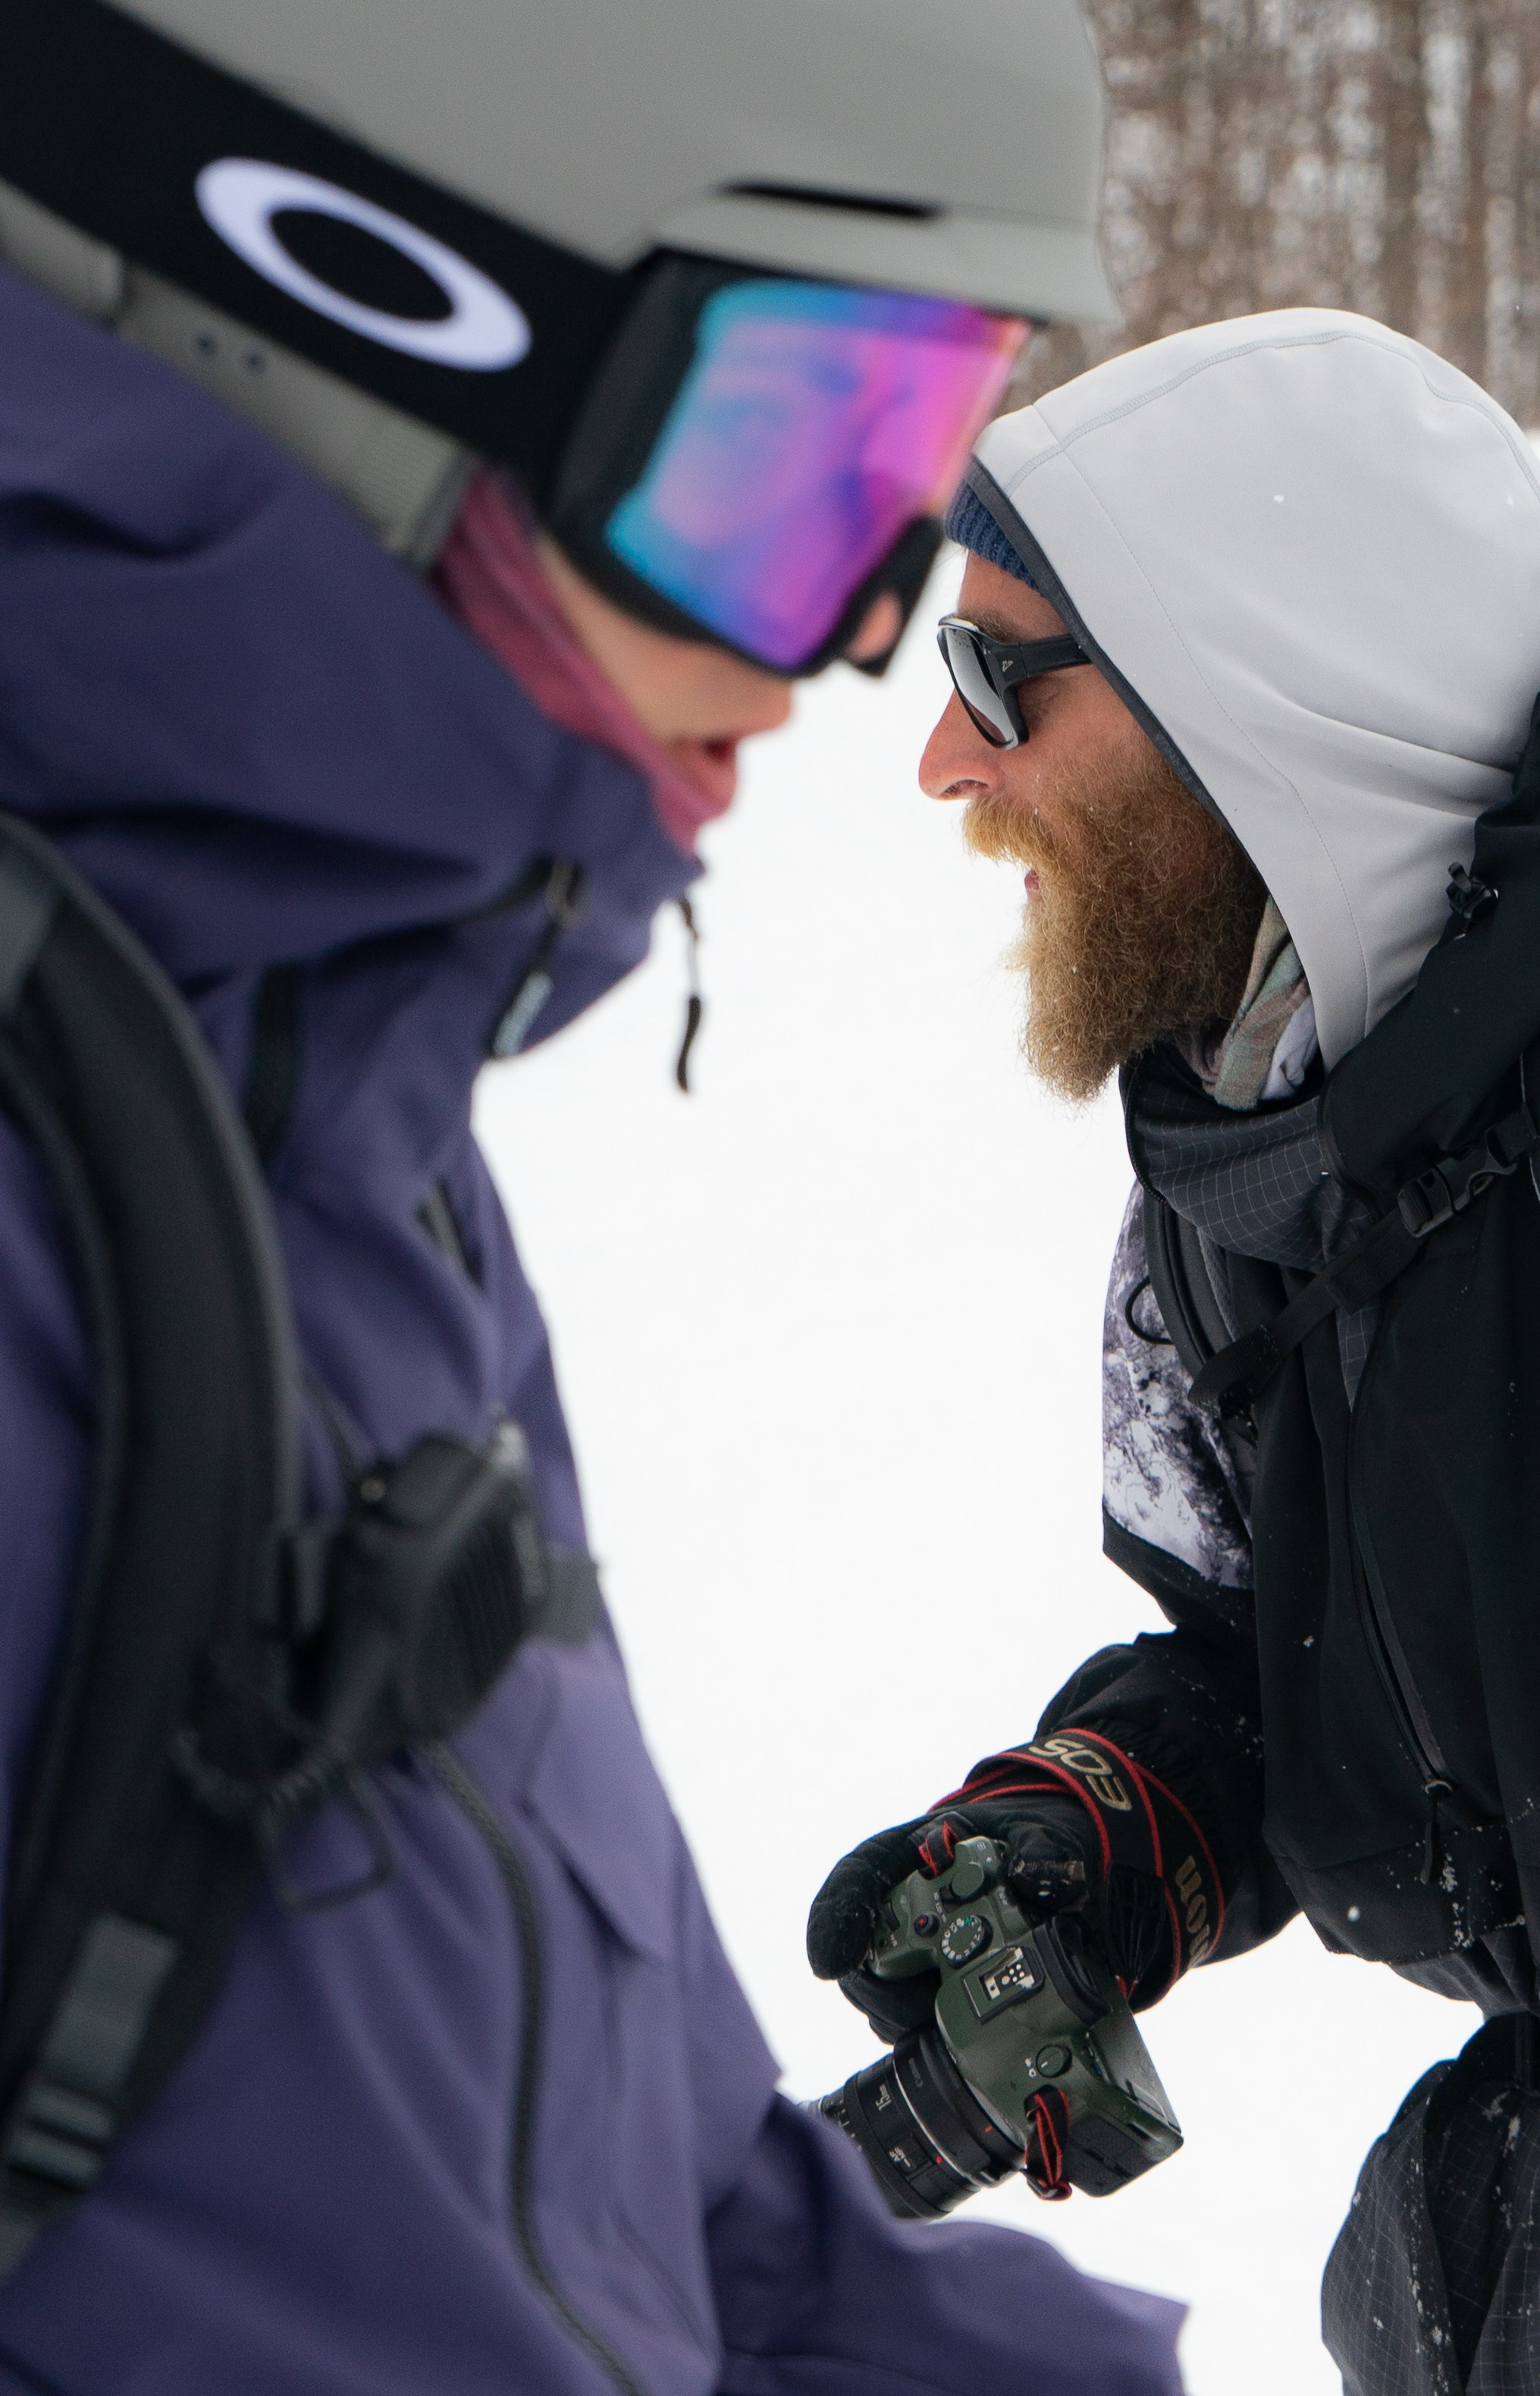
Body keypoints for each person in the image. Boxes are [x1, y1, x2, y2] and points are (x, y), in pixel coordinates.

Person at [0, 1, 1194, 2388]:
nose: (864, 646)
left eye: (912, 482)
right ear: (343, 301)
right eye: (793, 467)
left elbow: (622, 2210)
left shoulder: (302, 1121)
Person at [808, 305, 1540, 2395]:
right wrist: (1111, 1825)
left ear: (1254, 699)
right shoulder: (1246, 1173)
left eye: (996, 678)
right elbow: (1277, 1658)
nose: (946, 762)